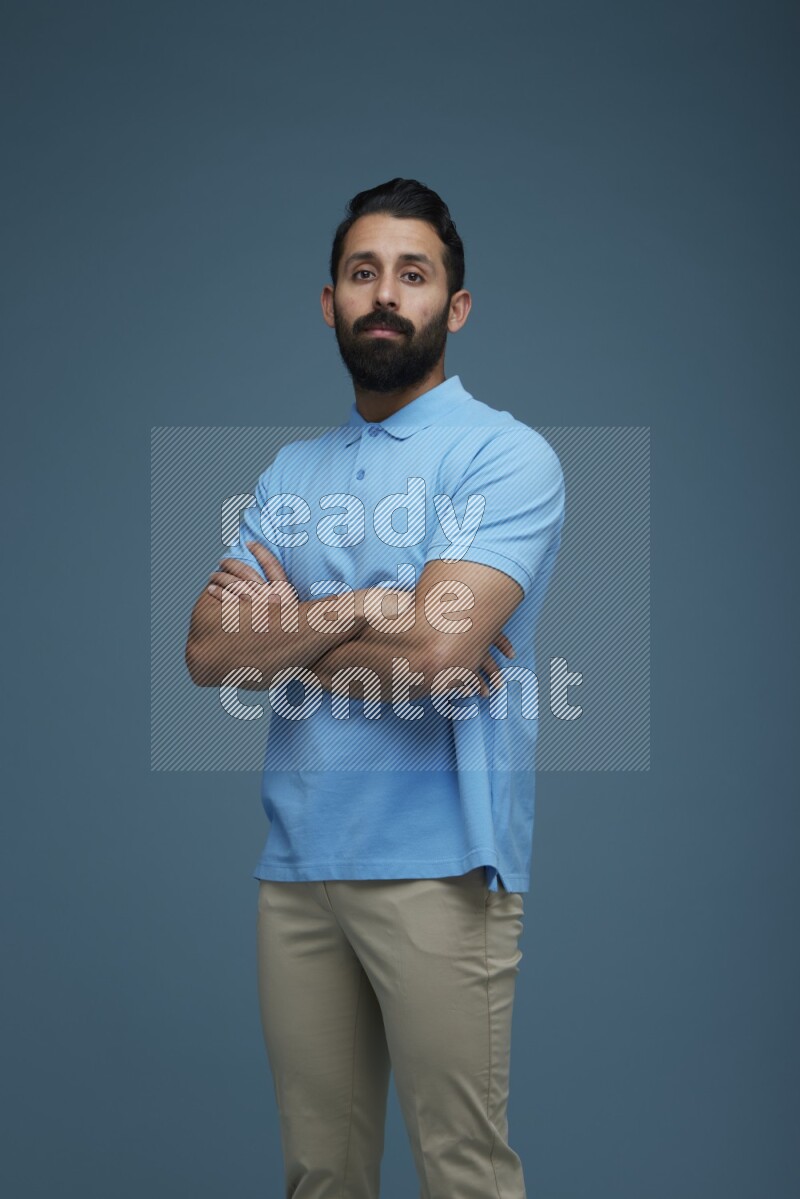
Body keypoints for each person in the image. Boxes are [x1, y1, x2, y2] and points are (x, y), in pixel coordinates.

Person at [185, 177, 565, 1198]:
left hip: (442, 867)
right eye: (363, 273)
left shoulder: (502, 455)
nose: (384, 293)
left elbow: (441, 662)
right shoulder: (288, 470)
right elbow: (209, 653)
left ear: (456, 304)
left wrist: (291, 627)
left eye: (412, 272)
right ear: (329, 301)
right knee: (319, 1175)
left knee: (462, 1174)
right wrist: (361, 609)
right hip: (297, 864)